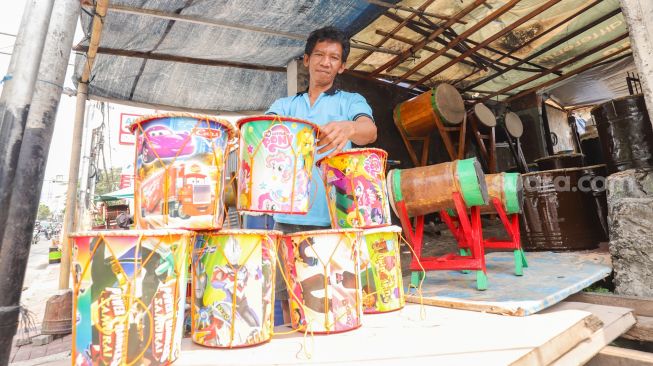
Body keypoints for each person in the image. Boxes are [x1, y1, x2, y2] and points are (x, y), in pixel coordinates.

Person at [265, 26, 377, 322]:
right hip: (287, 220)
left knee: (338, 301)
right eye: (319, 55)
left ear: (342, 66)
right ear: (306, 60)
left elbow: (370, 131)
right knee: (289, 296)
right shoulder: (285, 106)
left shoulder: (350, 102)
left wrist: (351, 127)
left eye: (333, 57)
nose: (325, 62)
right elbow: (261, 136)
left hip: (336, 219)